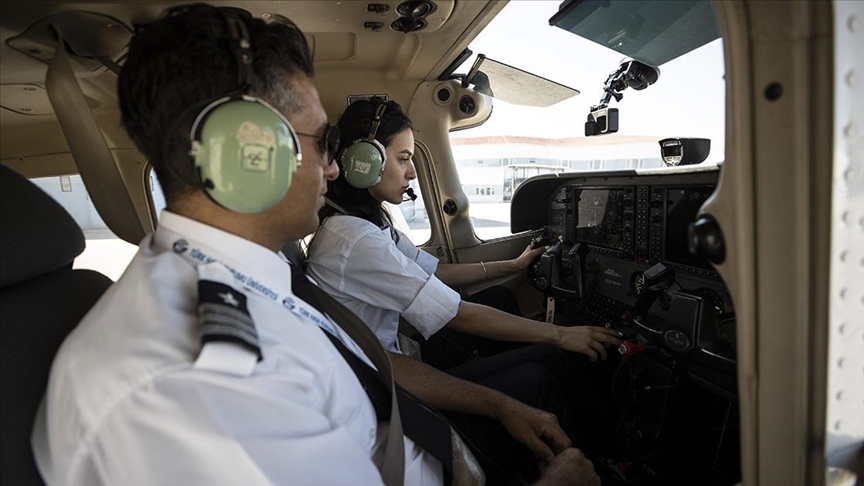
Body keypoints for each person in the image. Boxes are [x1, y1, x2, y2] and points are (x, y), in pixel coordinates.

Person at [30, 4, 600, 485]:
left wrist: (498, 403)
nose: (332, 169)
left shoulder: (259, 274)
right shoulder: (198, 380)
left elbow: (372, 366)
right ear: (246, 154)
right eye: (319, 142)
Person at [305, 97, 624, 467]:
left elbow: (434, 271)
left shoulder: (365, 223)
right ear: (365, 163)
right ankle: (602, 461)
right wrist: (561, 335)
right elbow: (459, 315)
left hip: (398, 355)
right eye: (404, 159)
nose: (412, 173)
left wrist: (510, 265)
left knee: (500, 297)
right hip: (392, 386)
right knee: (549, 363)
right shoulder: (355, 240)